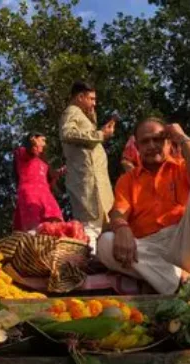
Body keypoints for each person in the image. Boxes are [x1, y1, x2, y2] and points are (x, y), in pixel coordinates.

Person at [97, 118, 190, 294]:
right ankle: (179, 282)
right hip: (148, 247)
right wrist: (121, 227)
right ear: (138, 147)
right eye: (145, 141)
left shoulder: (182, 167)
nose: (151, 145)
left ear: (168, 142)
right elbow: (118, 212)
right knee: (105, 243)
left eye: (157, 139)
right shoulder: (128, 179)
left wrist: (182, 137)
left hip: (184, 242)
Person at [59, 81, 115, 248]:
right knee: (90, 226)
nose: (94, 103)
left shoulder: (81, 114)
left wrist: (94, 122)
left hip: (95, 179)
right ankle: (86, 262)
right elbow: (67, 132)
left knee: (102, 226)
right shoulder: (72, 111)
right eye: (91, 99)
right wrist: (100, 134)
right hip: (88, 180)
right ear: (80, 96)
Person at [12, 132, 64, 232]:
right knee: (33, 229)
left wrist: (60, 172)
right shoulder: (22, 153)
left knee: (55, 224)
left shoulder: (43, 161)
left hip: (46, 195)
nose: (44, 144)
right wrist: (31, 143)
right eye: (42, 140)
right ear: (33, 139)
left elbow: (50, 176)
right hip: (30, 194)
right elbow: (28, 150)